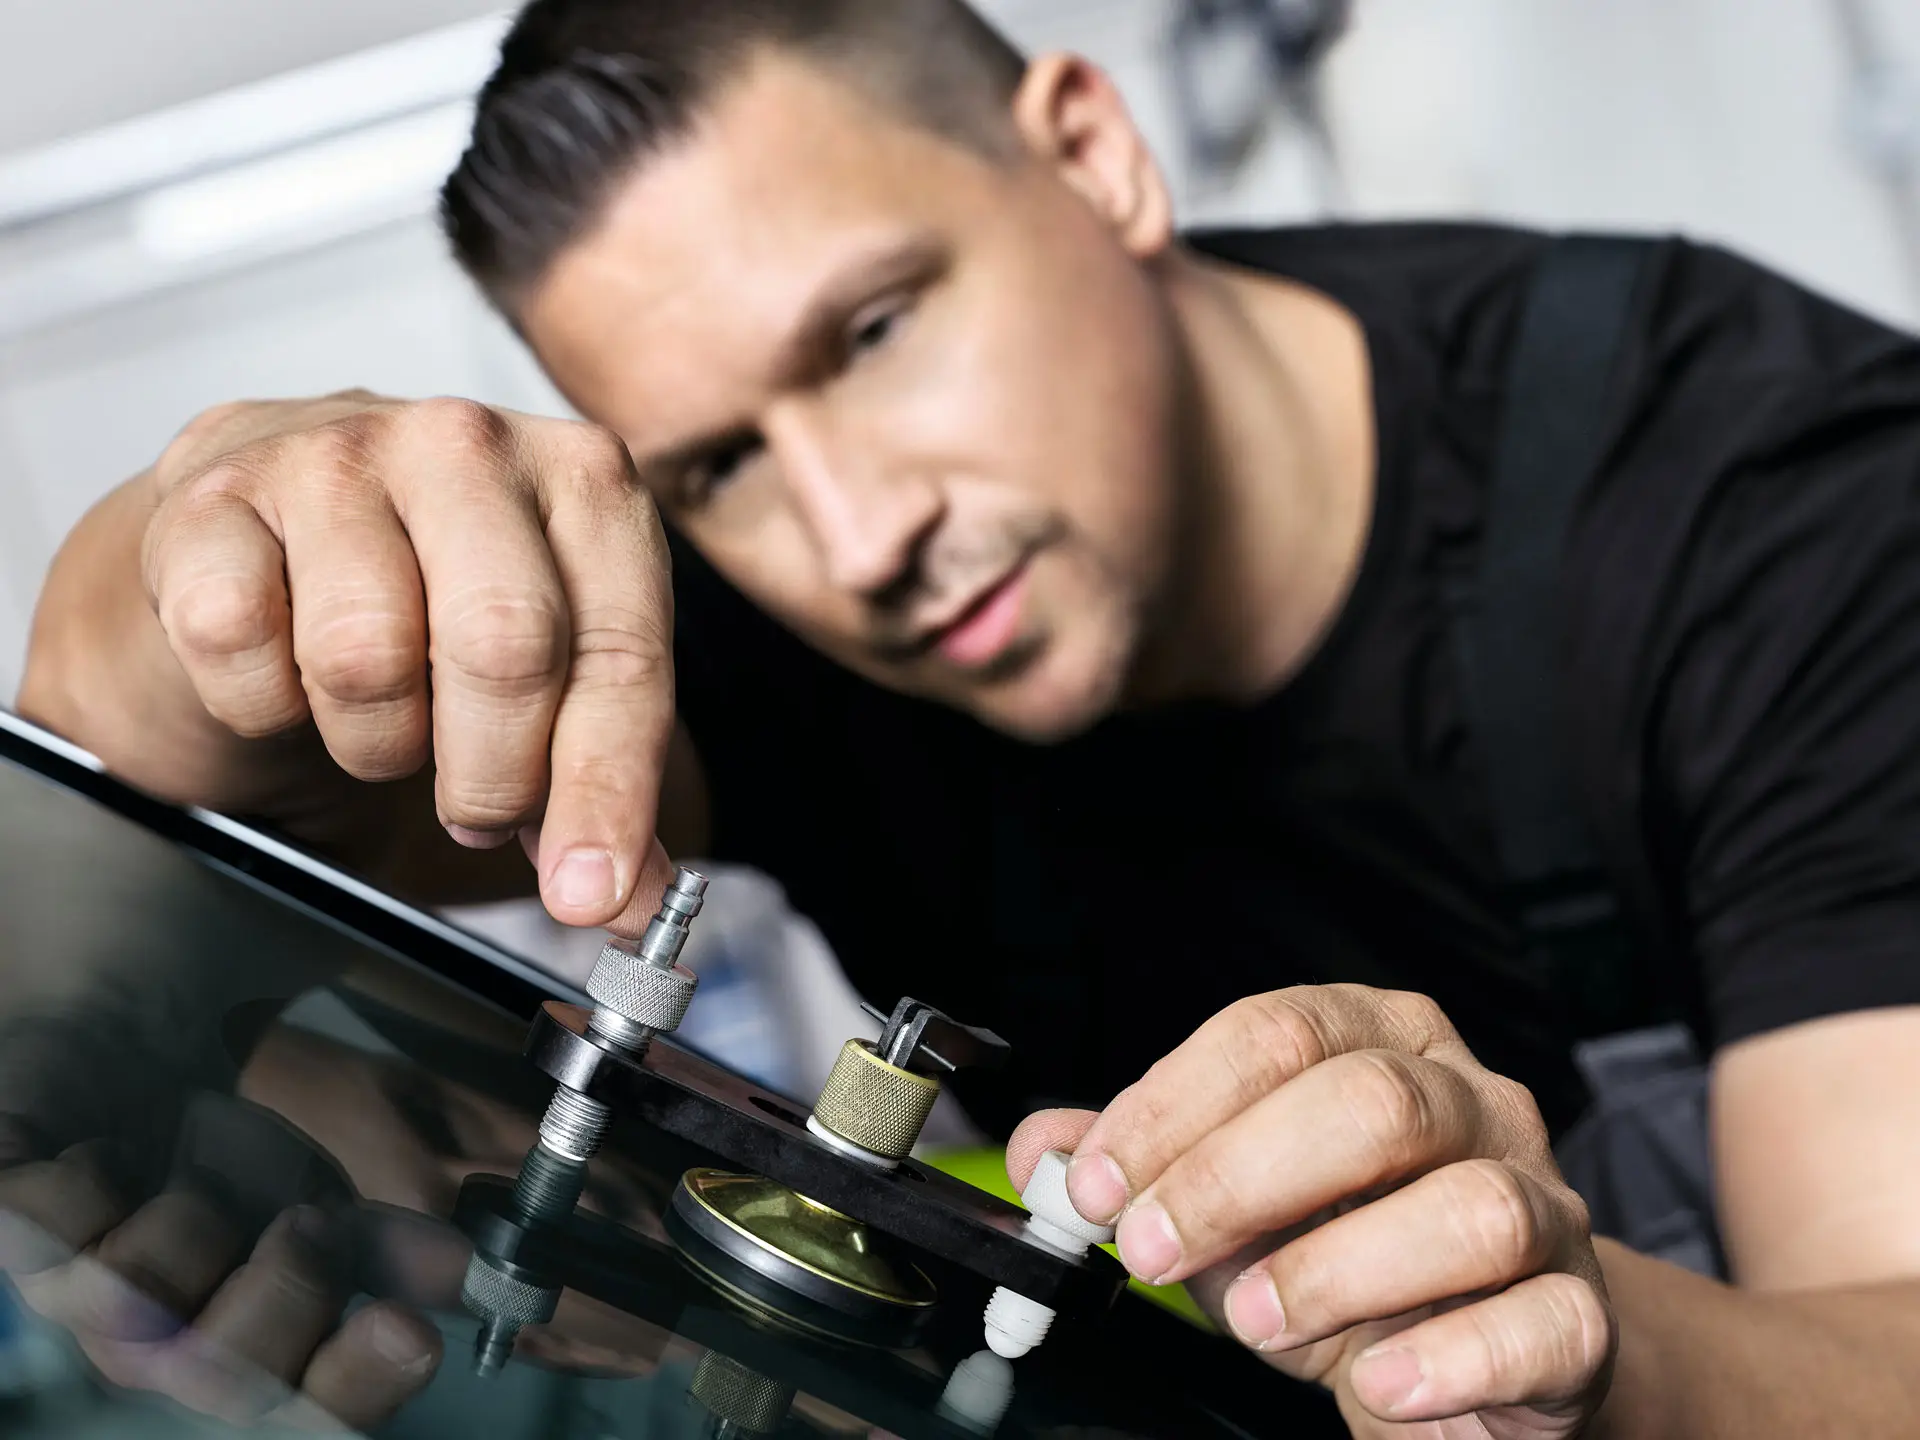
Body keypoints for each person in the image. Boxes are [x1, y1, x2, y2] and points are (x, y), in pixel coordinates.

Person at [18, 0, 1920, 1432]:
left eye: (872, 333)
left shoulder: (1775, 513)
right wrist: (191, 541)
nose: (860, 539)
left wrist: (1574, 1334)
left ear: (1094, 153)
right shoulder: (784, 620)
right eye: (717, 466)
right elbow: (175, 782)